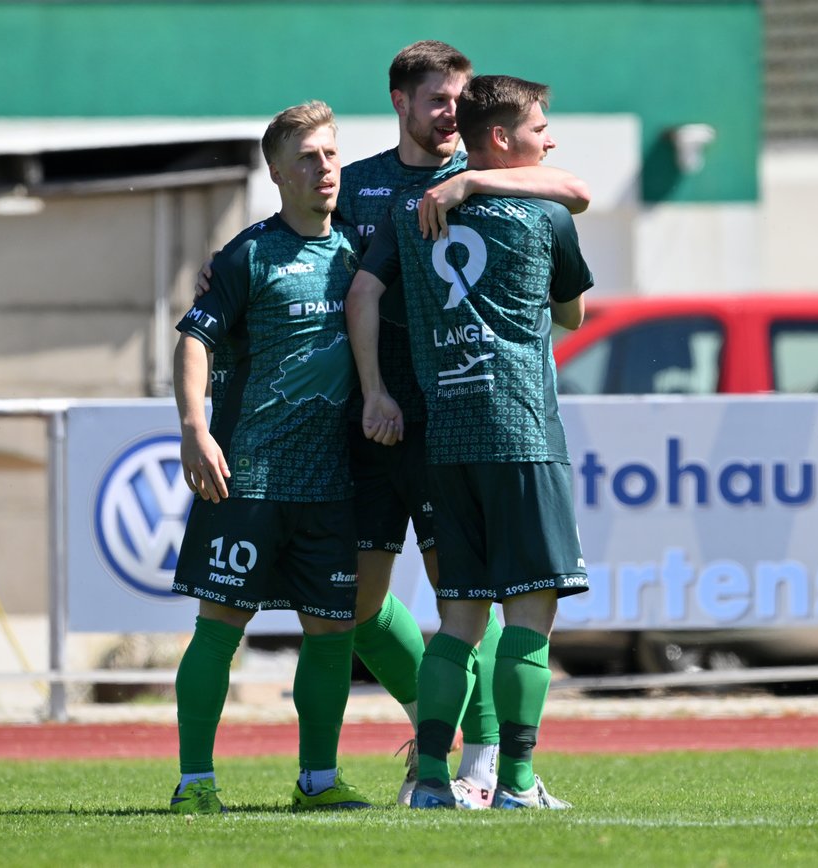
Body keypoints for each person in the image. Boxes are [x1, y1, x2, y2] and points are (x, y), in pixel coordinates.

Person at [194, 40, 590, 810]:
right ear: (400, 102)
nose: (451, 113)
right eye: (438, 99)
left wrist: (471, 178)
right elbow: (307, 240)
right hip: (369, 428)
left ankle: (479, 760)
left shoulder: (489, 173)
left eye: (461, 100)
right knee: (361, 606)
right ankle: (435, 744)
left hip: (451, 422)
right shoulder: (362, 184)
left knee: (464, 601)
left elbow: (571, 189)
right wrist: (230, 262)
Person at [346, 74, 593, 810]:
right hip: (522, 433)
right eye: (540, 129)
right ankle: (514, 782)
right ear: (502, 139)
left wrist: (375, 389)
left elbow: (363, 292)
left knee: (457, 621)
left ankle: (430, 781)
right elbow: (573, 315)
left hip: (446, 439)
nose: (550, 140)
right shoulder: (545, 215)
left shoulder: (410, 209)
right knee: (530, 619)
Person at [169, 100, 377, 815]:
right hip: (249, 479)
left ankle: (317, 781)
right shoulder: (248, 255)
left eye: (331, 154)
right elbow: (194, 339)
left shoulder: (358, 248)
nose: (325, 169)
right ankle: (195, 783)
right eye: (308, 159)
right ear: (277, 173)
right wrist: (195, 428)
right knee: (219, 628)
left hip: (329, 485)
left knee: (332, 634)